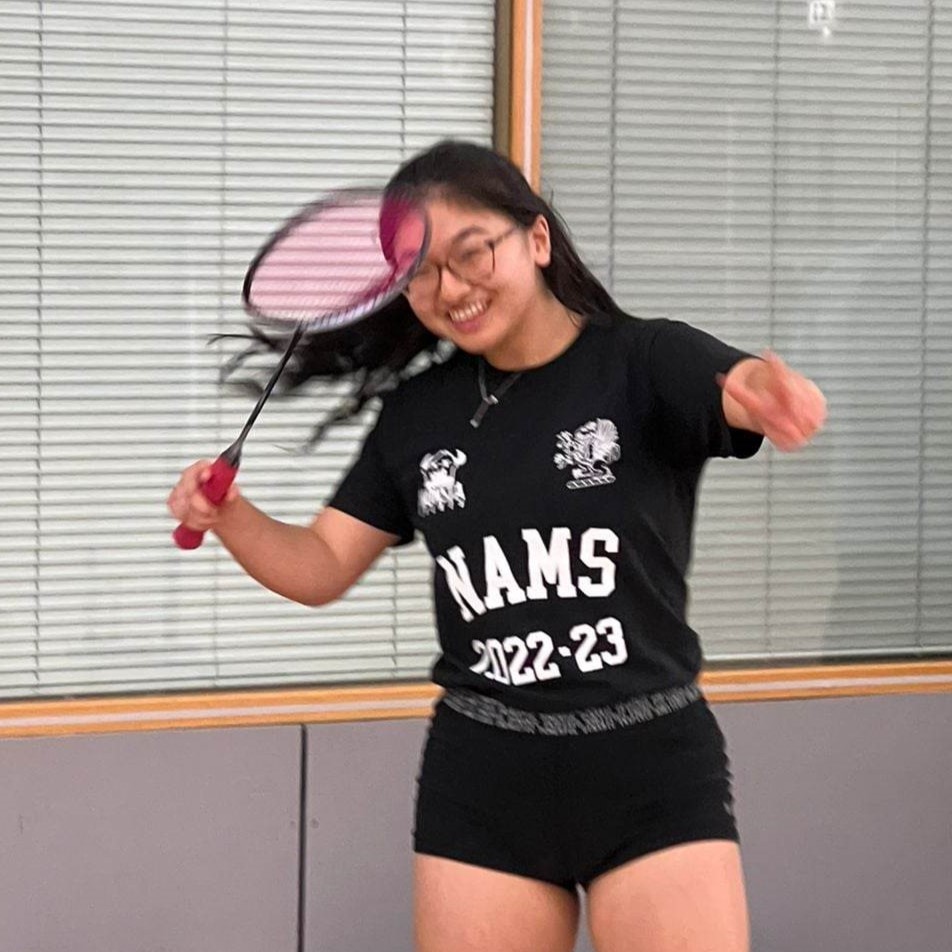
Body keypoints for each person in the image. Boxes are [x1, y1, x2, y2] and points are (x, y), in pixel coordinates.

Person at [168, 140, 826, 952]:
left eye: (471, 253)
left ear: (536, 239)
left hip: (648, 764)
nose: (450, 289)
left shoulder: (643, 362)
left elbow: (736, 387)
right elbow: (322, 565)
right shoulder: (418, 414)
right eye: (420, 274)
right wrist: (231, 517)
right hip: (483, 774)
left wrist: (768, 393)